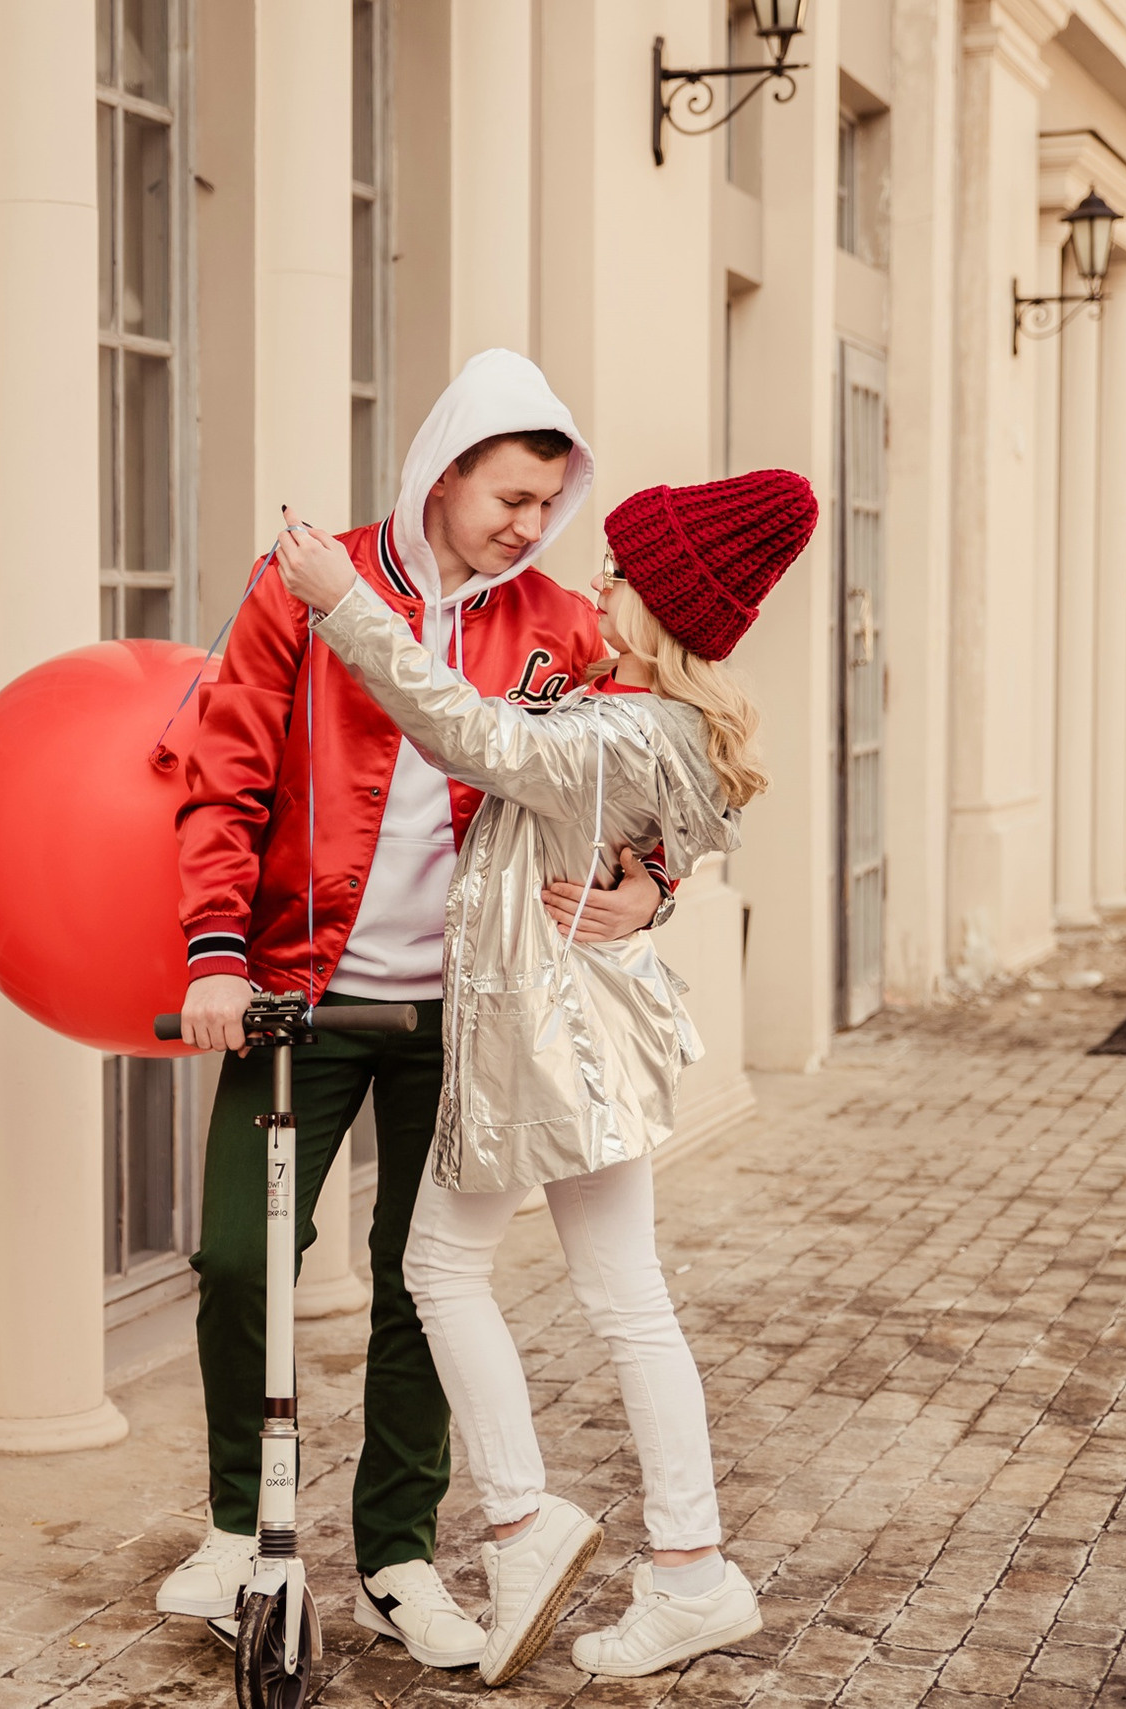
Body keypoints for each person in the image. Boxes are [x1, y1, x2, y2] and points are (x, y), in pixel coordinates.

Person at [159, 350, 665, 1666]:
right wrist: (218, 955)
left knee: (420, 1283)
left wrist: (642, 885)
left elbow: (637, 778)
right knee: (234, 1256)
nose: (528, 524)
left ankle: (395, 1550)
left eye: (546, 503)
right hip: (300, 994)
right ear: (443, 474)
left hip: (473, 1009)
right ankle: (234, 1531)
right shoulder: (307, 587)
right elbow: (224, 777)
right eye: (507, 496)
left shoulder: (560, 620)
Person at [272, 469, 818, 1685]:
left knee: (437, 1264)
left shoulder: (623, 725)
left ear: (667, 603)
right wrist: (652, 888)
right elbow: (644, 828)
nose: (597, 583)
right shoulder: (652, 716)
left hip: (549, 1042)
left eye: (623, 573)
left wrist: (345, 601)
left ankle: (528, 1522)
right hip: (590, 1037)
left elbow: (477, 737)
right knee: (625, 1295)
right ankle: (689, 1569)